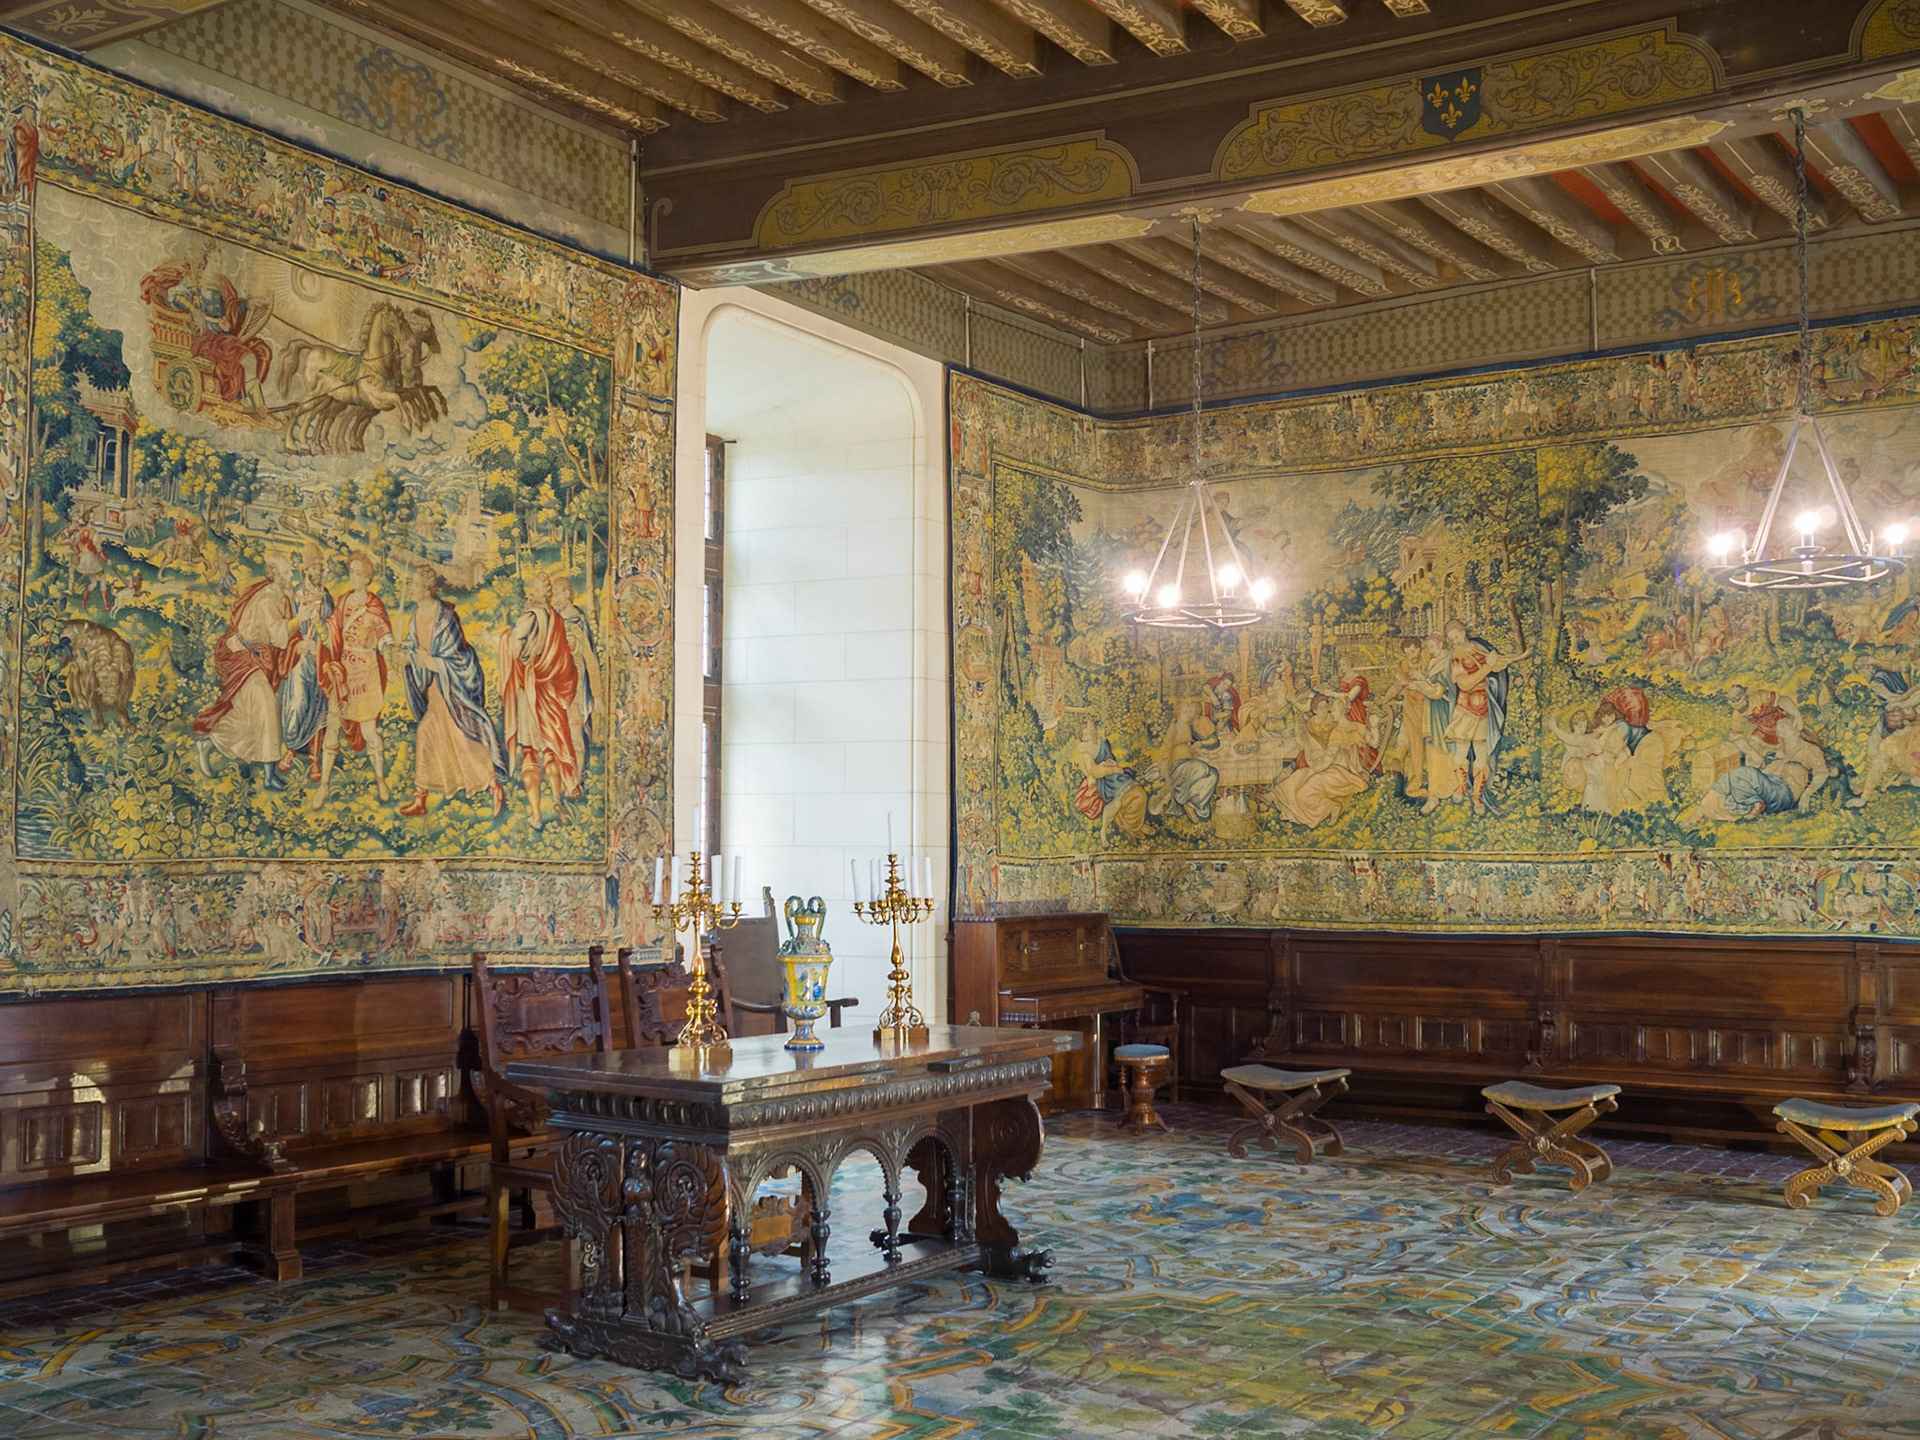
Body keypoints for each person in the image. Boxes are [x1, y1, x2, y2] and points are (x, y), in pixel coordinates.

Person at [399, 564, 506, 818]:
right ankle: (420, 798)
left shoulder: (446, 617)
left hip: (453, 691)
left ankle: (493, 785)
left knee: (462, 740)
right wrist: (406, 657)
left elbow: (461, 657)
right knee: (426, 734)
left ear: (427, 589)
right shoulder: (416, 616)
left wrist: (431, 662)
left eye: (415, 585)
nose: (412, 589)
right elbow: (414, 648)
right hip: (435, 693)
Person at [193, 553, 295, 791]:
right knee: (267, 706)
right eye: (287, 572)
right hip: (244, 658)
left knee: (247, 717)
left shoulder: (281, 594)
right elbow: (278, 636)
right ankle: (269, 775)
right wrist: (302, 618)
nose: (291, 576)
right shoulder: (267, 599)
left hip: (258, 657)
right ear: (276, 575)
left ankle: (209, 744)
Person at [499, 571, 578, 830]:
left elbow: (515, 646)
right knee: (551, 749)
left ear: (536, 592)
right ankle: (556, 799)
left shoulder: (530, 616)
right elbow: (565, 661)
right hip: (550, 693)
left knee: (530, 752)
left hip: (530, 690)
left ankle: (536, 815)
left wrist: (507, 640)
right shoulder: (555, 618)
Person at [314, 552, 393, 806]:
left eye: (359, 573)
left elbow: (384, 638)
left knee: (369, 731)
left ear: (368, 577)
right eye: (352, 572)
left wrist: (391, 648)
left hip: (366, 674)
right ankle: (324, 785)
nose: (354, 577)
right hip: (343, 674)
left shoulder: (375, 606)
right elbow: (333, 633)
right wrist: (319, 624)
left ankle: (380, 780)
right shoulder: (343, 601)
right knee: (332, 727)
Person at [1430, 618, 1528, 816]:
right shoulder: (1455, 656)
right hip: (1465, 710)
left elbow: (1497, 666)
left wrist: (1507, 659)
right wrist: (1488, 667)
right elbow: (1465, 684)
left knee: (1481, 756)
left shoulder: (1478, 647)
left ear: (1463, 631)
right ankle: (1461, 788)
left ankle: (1477, 797)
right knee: (1461, 753)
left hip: (1483, 709)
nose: (1455, 641)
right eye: (1451, 638)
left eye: (1456, 636)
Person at [277, 547, 334, 784]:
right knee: (297, 704)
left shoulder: (326, 598)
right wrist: (299, 645)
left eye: (321, 568)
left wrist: (318, 645)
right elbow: (285, 629)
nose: (318, 572)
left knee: (318, 708)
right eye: (314, 568)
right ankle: (291, 749)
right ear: (305, 571)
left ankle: (313, 758)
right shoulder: (295, 596)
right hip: (298, 661)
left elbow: (333, 632)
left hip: (319, 661)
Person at [1272, 693, 1370, 828]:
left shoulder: (1339, 732)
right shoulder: (1340, 729)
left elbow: (1329, 758)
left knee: (1303, 793)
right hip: (1330, 768)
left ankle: (1331, 806)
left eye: (1332, 709)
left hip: (1338, 772)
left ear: (1340, 712)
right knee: (1298, 777)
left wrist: (1316, 767)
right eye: (1327, 709)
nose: (1330, 713)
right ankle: (1273, 797)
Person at [549, 572, 598, 796]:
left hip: (575, 689)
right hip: (555, 686)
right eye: (554, 594)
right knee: (558, 737)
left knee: (575, 734)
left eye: (558, 593)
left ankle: (575, 782)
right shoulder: (554, 617)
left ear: (567, 593)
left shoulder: (577, 622)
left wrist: (597, 695)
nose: (556, 598)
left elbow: (589, 659)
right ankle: (561, 783)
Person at [1072, 718, 1148, 844]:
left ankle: (1136, 824)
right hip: (1104, 782)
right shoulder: (1086, 752)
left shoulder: (1102, 743)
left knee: (1138, 790)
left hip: (1113, 776)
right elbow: (1095, 771)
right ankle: (1130, 826)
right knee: (1134, 794)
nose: (1093, 732)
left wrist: (1110, 761)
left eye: (1093, 729)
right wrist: (1113, 770)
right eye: (1089, 731)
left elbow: (1109, 756)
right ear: (1084, 737)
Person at [1147, 700, 1222, 823]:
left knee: (1214, 774)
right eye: (1186, 712)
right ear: (1178, 714)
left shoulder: (1188, 726)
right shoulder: (1173, 729)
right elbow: (1164, 754)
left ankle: (1193, 805)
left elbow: (1208, 737)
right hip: (1177, 765)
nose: (1189, 714)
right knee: (1203, 768)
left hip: (1189, 762)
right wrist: (1168, 779)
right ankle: (1185, 800)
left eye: (1189, 711)